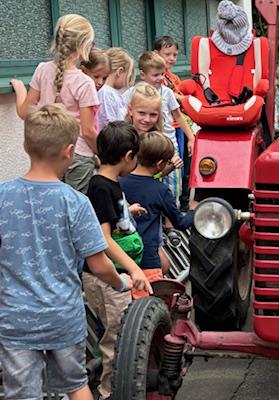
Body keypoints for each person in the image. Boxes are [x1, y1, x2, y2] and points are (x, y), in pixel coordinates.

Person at [0, 104, 132, 400]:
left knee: (21, 394)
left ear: (25, 145)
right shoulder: (75, 203)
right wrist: (120, 282)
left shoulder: (2, 197)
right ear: (69, 151)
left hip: (15, 319)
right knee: (75, 385)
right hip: (63, 317)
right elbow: (98, 266)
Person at [83, 121, 152, 400]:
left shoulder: (110, 184)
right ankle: (110, 392)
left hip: (115, 276)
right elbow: (104, 239)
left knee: (116, 333)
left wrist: (128, 211)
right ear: (128, 157)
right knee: (117, 338)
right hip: (108, 278)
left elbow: (110, 218)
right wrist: (134, 268)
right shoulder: (101, 187)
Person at [10, 14, 100, 194]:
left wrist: (20, 90)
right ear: (84, 45)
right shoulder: (84, 82)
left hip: (48, 151)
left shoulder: (42, 69)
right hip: (77, 153)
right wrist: (103, 155)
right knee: (75, 207)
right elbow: (88, 131)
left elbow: (24, 112)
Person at [123, 51, 194, 201]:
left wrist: (191, 138)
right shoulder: (133, 93)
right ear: (143, 75)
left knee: (171, 187)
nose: (161, 78)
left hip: (167, 145)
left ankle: (170, 213)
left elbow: (178, 116)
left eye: (163, 74)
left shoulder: (167, 93)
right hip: (144, 145)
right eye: (156, 75)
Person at [120, 132, 194, 274]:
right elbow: (181, 223)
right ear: (160, 164)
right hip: (148, 260)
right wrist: (194, 210)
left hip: (122, 260)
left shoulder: (120, 182)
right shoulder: (160, 190)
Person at [154, 35, 194, 211]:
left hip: (178, 129)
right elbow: (179, 99)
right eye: (167, 54)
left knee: (181, 167)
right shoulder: (157, 79)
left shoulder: (174, 78)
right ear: (156, 54)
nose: (171, 58)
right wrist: (185, 98)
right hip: (165, 132)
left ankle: (181, 204)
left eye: (175, 55)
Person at [96, 47, 135, 132]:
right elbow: (112, 127)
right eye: (127, 75)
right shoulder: (106, 94)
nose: (126, 82)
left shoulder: (110, 93)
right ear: (120, 72)